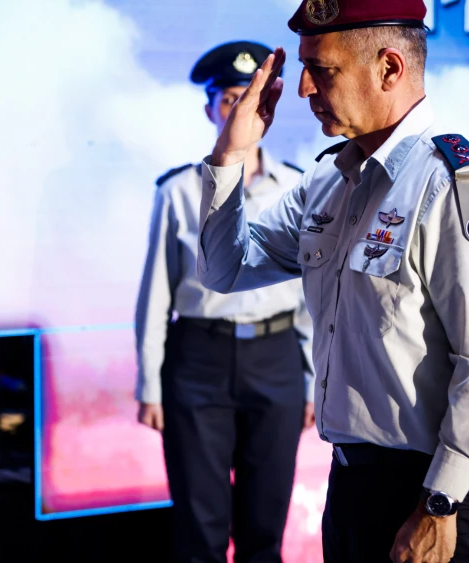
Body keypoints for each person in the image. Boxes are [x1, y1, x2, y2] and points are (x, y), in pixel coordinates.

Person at [196, 2, 469, 562]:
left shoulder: (451, 184)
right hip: (352, 486)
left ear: (389, 69)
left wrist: (440, 504)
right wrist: (231, 154)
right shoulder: (327, 180)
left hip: (439, 493)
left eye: (322, 70)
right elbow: (223, 268)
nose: (302, 89)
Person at [135, 40, 316, 563]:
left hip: (277, 357)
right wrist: (150, 385)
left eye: (249, 100)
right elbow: (155, 297)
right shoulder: (177, 192)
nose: (238, 112)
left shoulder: (299, 189)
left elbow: (310, 299)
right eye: (228, 100)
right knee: (199, 529)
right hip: (198, 362)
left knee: (265, 529)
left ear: (267, 109)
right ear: (210, 108)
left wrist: (308, 381)